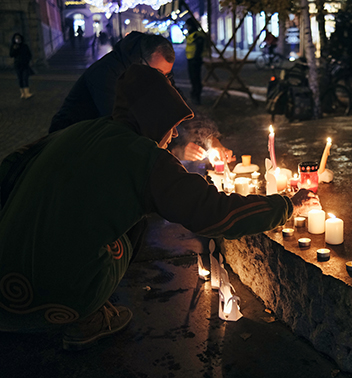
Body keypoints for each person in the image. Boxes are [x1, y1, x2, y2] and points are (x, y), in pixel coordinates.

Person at [0, 64, 293, 350]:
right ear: (156, 118)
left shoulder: (83, 130)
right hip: (49, 299)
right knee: (134, 226)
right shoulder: (145, 158)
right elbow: (214, 214)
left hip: (5, 289)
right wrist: (286, 204)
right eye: (173, 123)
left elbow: (11, 164)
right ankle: (88, 318)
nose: (176, 134)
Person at [49, 31, 232, 162]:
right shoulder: (107, 74)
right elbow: (126, 129)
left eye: (166, 75)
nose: (163, 80)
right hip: (73, 143)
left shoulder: (154, 70)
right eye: (159, 73)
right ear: (141, 61)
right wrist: (175, 150)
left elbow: (178, 104)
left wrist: (210, 140)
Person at [185, 19, 206, 105]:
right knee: (193, 79)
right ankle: (194, 94)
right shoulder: (192, 34)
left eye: (188, 25)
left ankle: (196, 96)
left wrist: (196, 58)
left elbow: (199, 48)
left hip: (195, 60)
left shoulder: (197, 35)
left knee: (196, 79)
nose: (187, 27)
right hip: (191, 59)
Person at [9, 33, 33, 99]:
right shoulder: (13, 46)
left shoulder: (25, 46)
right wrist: (14, 49)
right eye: (16, 38)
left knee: (25, 78)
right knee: (20, 79)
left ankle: (27, 93)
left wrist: (28, 61)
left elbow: (29, 54)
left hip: (25, 65)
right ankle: (22, 93)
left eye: (19, 38)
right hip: (17, 65)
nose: (18, 40)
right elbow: (11, 55)